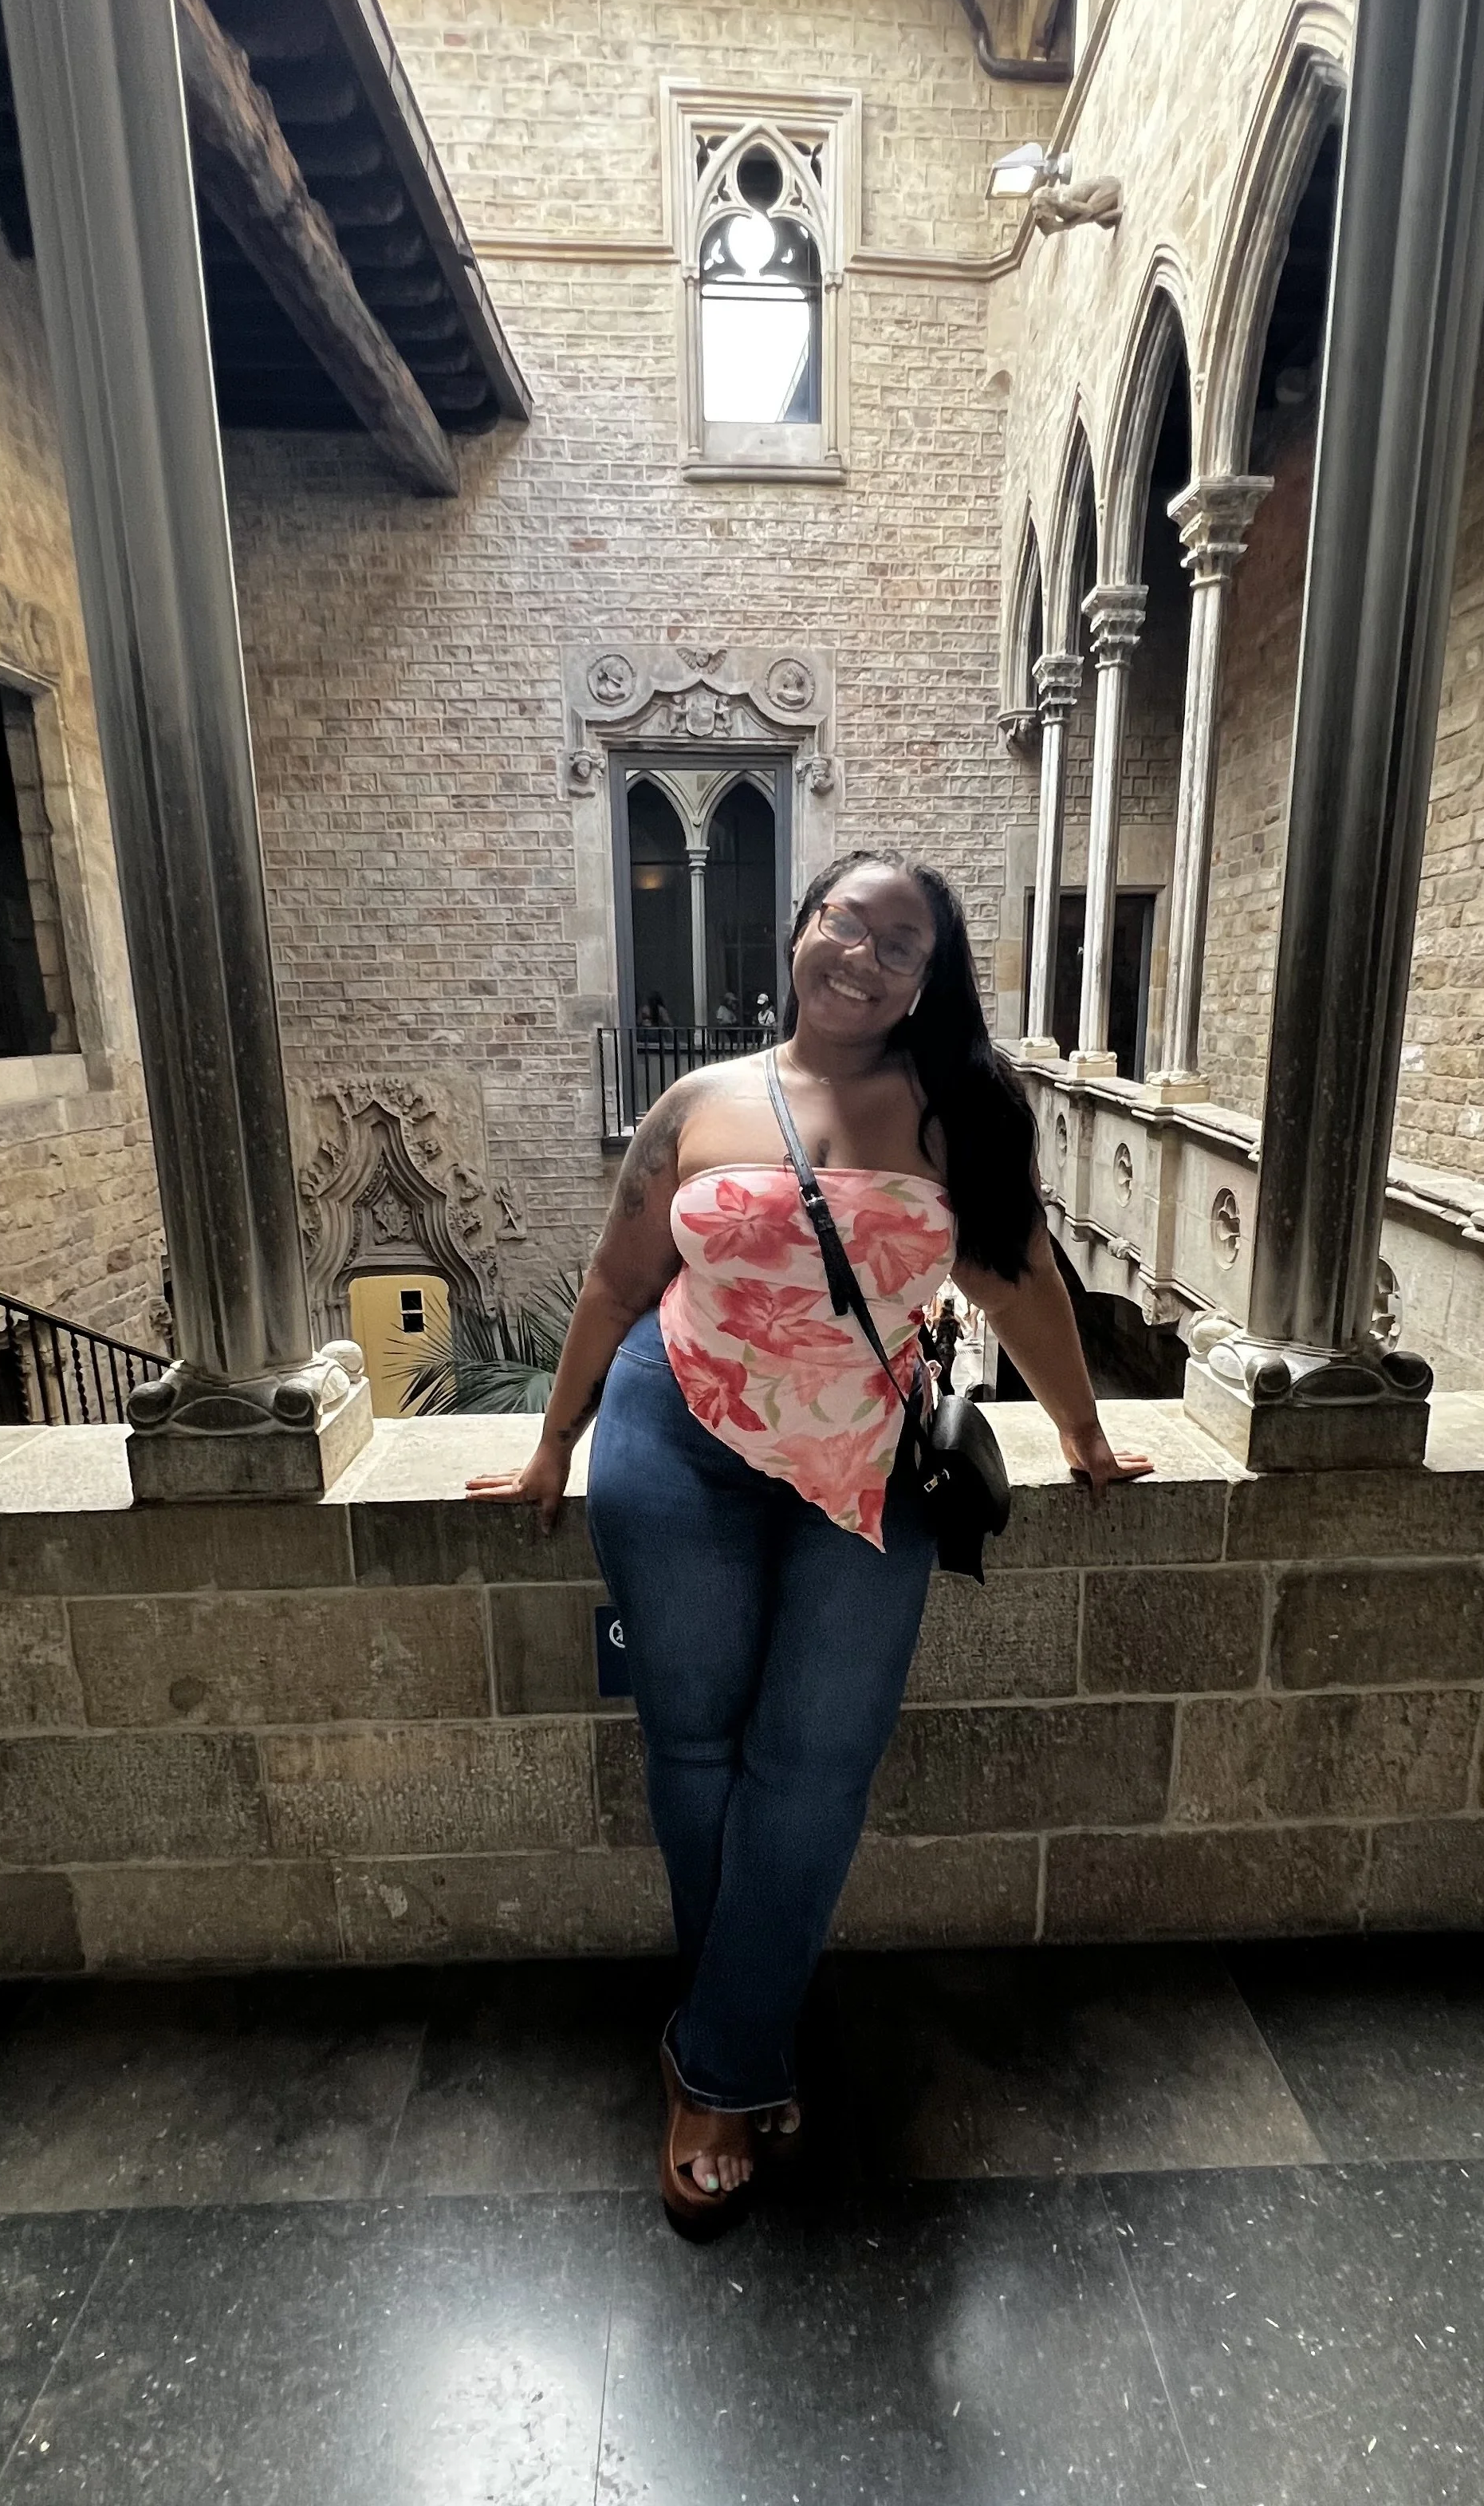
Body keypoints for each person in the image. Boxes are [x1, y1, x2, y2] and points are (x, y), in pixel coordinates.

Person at [467, 853, 1150, 2230]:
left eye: (901, 944)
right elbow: (614, 1281)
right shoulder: (700, 1102)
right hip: (674, 1445)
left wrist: (1081, 1435)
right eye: (846, 922)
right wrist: (554, 1444)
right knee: (696, 1745)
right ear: (801, 929)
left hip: (867, 1466)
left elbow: (1019, 1282)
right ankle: (752, 2038)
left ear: (926, 978)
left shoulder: (960, 1106)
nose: (864, 954)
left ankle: (715, 2059)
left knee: (818, 1765)